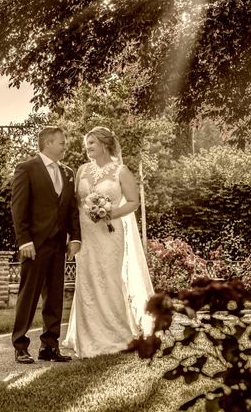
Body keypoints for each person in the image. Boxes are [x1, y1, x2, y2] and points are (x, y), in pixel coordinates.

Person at [63, 126, 154, 358]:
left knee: (111, 280)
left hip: (110, 234)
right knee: (88, 281)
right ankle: (87, 338)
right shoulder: (82, 171)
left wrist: (110, 212)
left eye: (91, 143)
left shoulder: (121, 171)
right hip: (87, 235)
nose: (87, 147)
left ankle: (118, 333)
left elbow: (133, 202)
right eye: (87, 144)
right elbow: (74, 204)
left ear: (104, 144)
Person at [11, 126, 82, 364]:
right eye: (62, 142)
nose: (65, 146)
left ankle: (49, 346)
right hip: (35, 244)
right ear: (48, 143)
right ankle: (20, 345)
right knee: (28, 296)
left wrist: (75, 237)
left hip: (58, 244)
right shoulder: (26, 168)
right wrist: (24, 241)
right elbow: (18, 208)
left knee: (54, 297)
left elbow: (71, 209)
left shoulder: (68, 172)